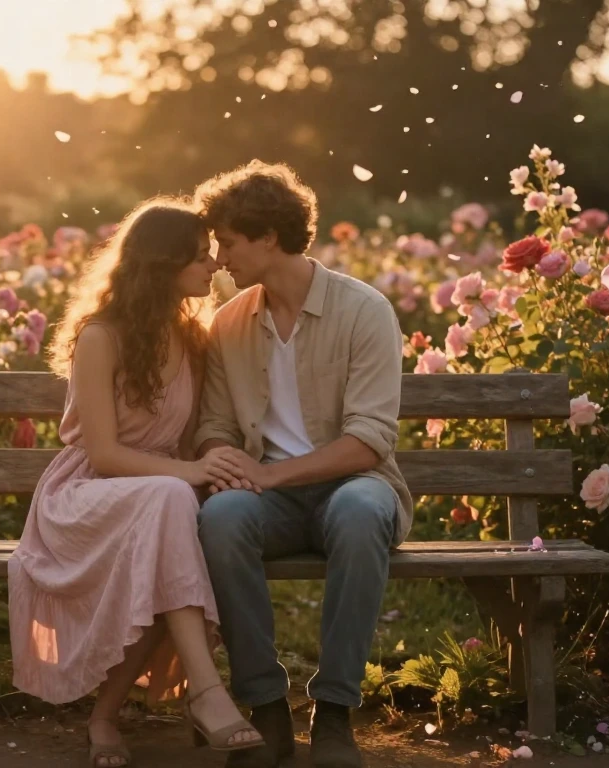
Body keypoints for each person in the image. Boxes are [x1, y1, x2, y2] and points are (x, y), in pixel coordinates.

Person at [8, 198, 266, 768]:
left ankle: (109, 718)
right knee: (172, 507)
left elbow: (204, 430)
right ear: (161, 264)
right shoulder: (102, 336)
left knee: (171, 537)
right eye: (200, 258)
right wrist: (190, 473)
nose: (213, 266)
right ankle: (208, 694)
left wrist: (221, 464)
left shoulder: (194, 337)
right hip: (85, 499)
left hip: (159, 497)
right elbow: (101, 453)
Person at [191, 163, 413, 768]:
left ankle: (335, 712)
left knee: (364, 509)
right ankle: (265, 709)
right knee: (223, 516)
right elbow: (214, 425)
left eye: (228, 242)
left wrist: (267, 475)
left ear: (267, 237)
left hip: (354, 485)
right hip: (273, 501)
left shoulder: (364, 310)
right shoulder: (229, 323)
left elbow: (369, 442)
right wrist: (229, 463)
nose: (220, 257)